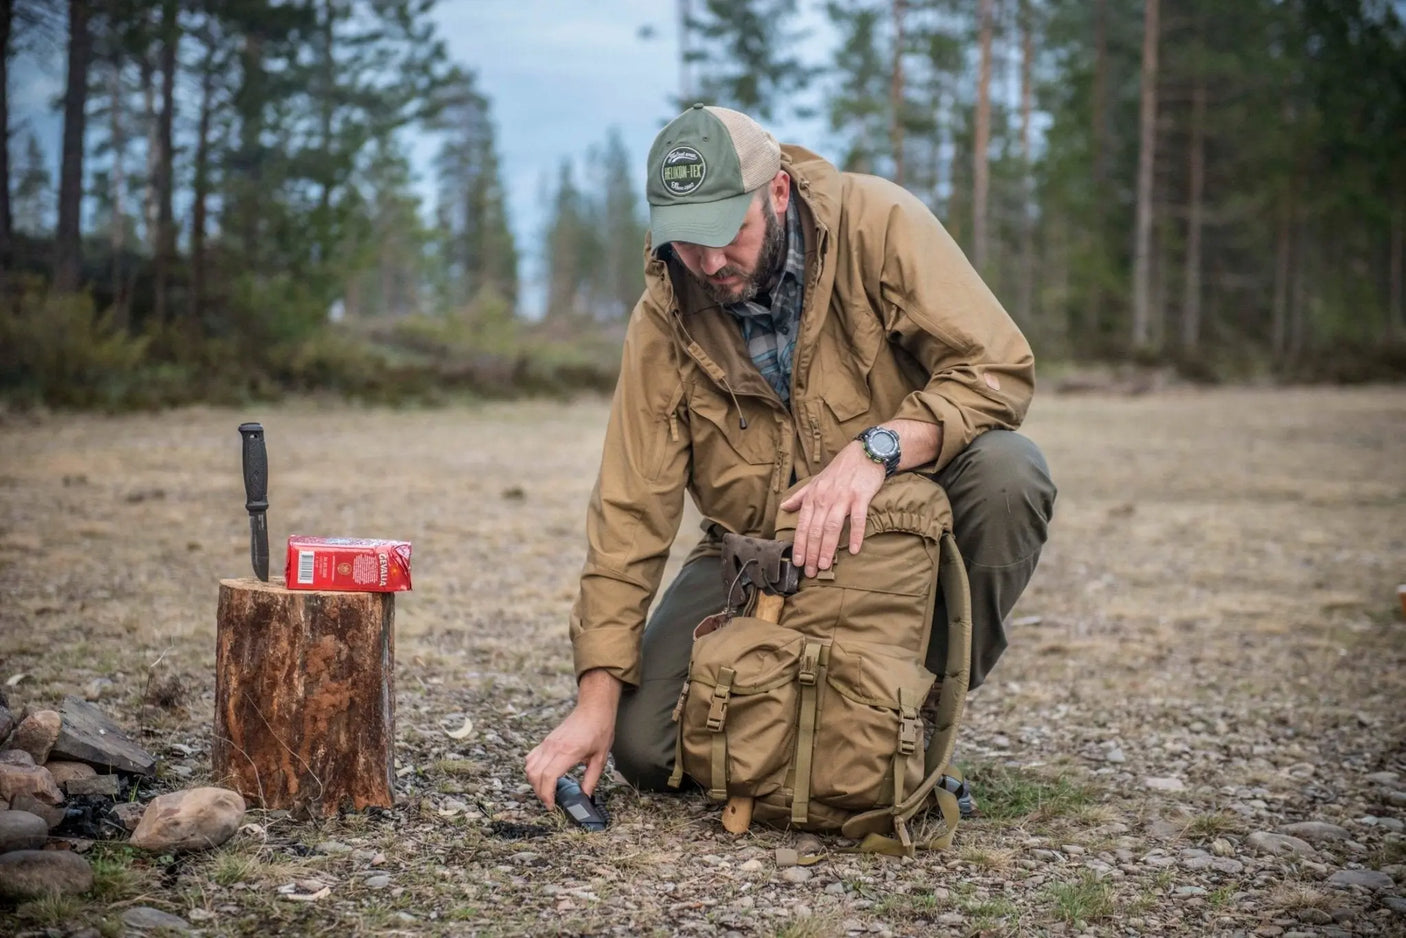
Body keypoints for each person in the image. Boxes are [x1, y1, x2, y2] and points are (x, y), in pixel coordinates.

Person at [525, 104, 1056, 809]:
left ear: (776, 192)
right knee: (643, 749)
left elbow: (996, 369)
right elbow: (630, 510)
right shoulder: (663, 316)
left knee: (1010, 473)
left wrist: (880, 448)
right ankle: (813, 739)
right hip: (756, 556)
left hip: (893, 542)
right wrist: (594, 701)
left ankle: (910, 715)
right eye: (688, 243)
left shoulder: (879, 225)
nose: (711, 264)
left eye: (728, 234)